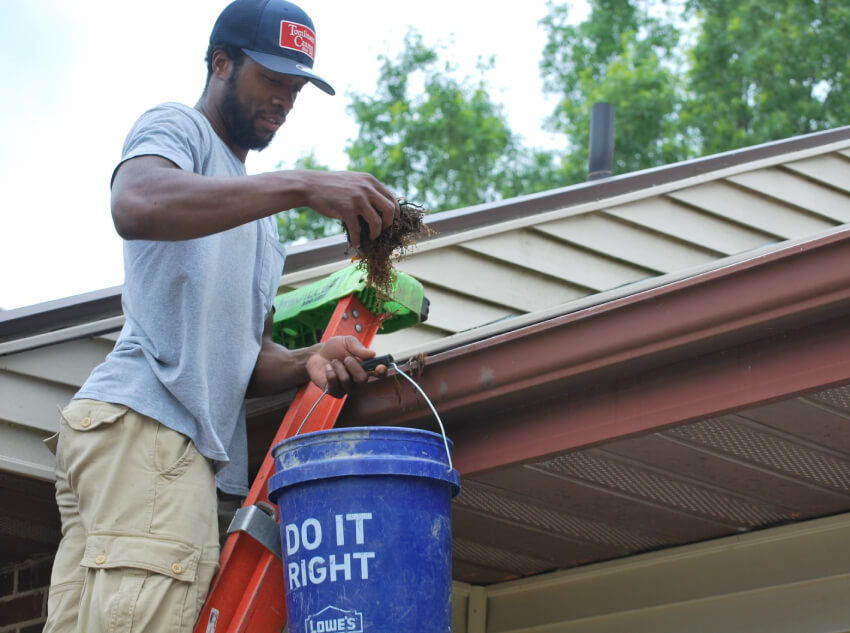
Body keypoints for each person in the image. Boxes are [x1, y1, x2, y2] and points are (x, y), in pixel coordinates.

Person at [42, 1, 400, 631]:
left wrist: (307, 362)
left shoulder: (259, 222)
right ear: (221, 64)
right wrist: (300, 184)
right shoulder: (177, 127)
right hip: (150, 429)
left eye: (295, 89)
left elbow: (246, 357)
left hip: (133, 441)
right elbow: (136, 201)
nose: (285, 100)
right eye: (272, 80)